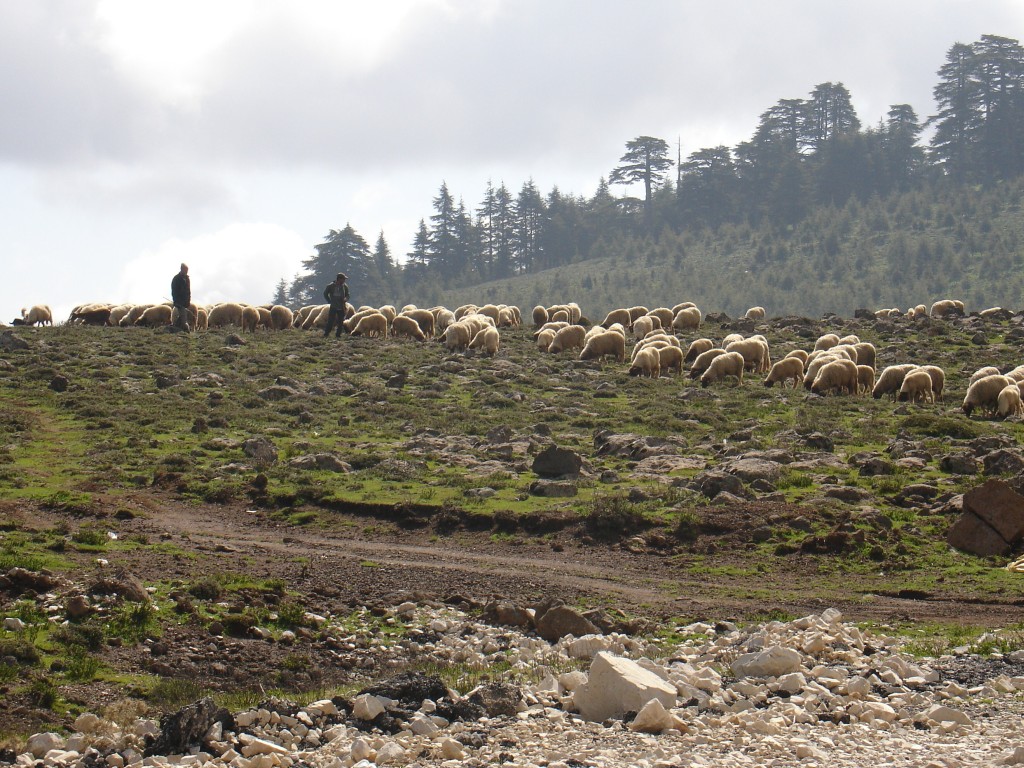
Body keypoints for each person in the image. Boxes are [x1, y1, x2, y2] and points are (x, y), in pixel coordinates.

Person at [323, 273, 350, 338]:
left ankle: (338, 335)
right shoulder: (331, 286)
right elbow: (325, 293)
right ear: (339, 279)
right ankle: (326, 334)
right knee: (330, 321)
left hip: (342, 306)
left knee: (341, 322)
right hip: (333, 306)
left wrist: (346, 298)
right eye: (343, 279)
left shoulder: (345, 286)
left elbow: (348, 295)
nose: (344, 281)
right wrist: (329, 301)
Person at [171, 263, 192, 331]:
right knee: (184, 318)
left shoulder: (187, 279)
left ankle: (174, 327)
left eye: (187, 270)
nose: (186, 272)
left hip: (185, 302)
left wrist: (188, 301)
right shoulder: (176, 279)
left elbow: (188, 291)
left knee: (181, 316)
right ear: (182, 269)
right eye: (185, 270)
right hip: (179, 302)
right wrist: (176, 301)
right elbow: (174, 291)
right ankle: (187, 331)